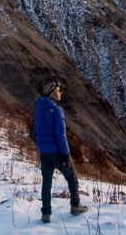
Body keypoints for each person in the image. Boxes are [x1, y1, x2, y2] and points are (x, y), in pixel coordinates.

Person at [33, 81, 87, 223]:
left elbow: (36, 131)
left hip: (44, 153)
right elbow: (61, 136)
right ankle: (75, 205)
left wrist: (41, 147)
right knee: (72, 176)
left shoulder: (39, 109)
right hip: (57, 151)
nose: (60, 93)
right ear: (52, 94)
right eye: (58, 91)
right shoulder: (57, 111)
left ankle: (46, 214)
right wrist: (65, 154)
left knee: (46, 182)